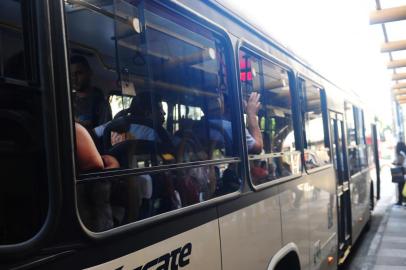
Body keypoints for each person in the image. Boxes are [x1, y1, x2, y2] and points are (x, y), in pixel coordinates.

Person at [70, 55, 112, 129]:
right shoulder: (68, 100)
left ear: (89, 73)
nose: (74, 78)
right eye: (71, 74)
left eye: (79, 73)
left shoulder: (100, 103)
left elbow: (105, 133)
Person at [393, 141, 406, 206]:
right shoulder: (404, 152)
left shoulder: (401, 153)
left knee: (400, 186)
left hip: (402, 172)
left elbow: (400, 162)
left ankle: (400, 201)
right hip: (404, 172)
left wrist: (395, 163)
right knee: (403, 187)